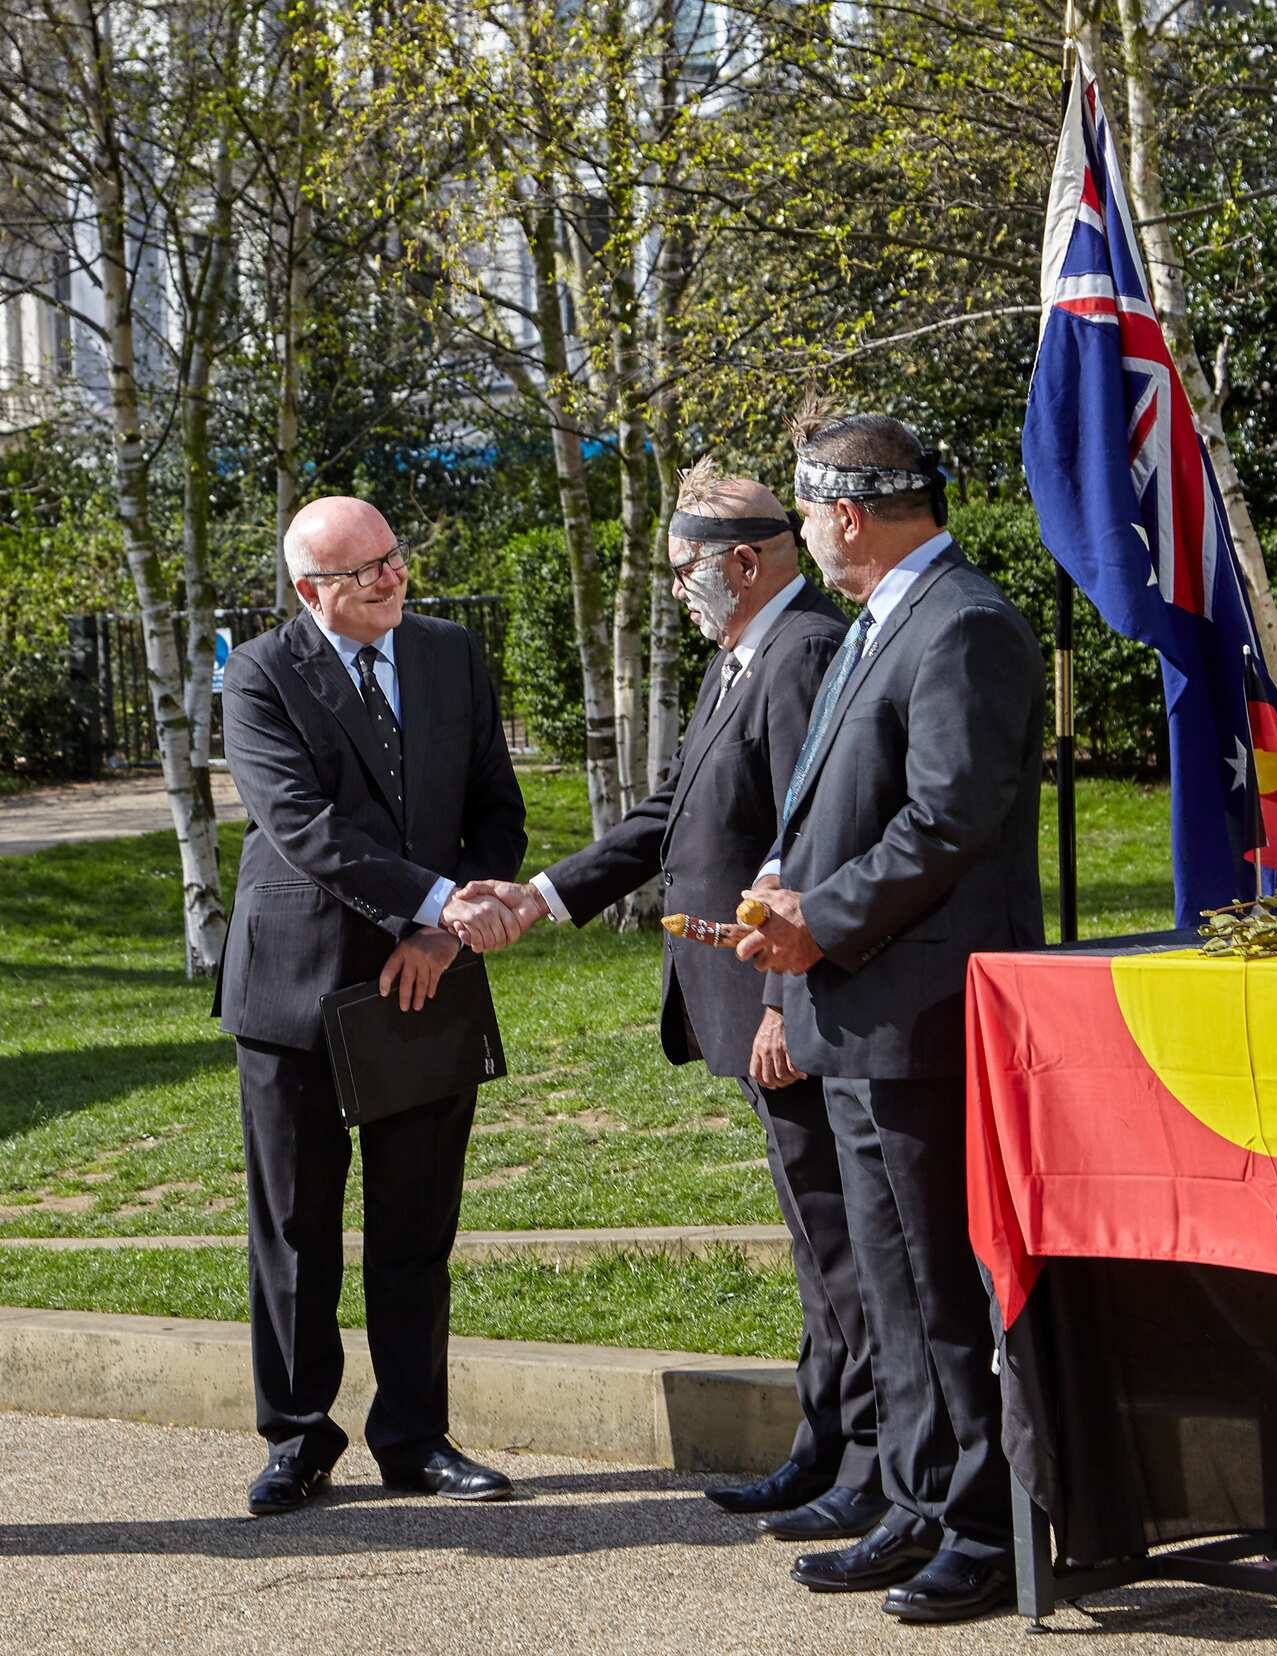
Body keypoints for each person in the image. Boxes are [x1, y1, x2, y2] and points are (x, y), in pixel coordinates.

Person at [456, 461, 886, 1543]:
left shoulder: (799, 658)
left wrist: (785, 1001)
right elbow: (668, 816)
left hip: (781, 1005)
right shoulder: (744, 656)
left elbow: (806, 849)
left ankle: (873, 1466)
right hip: (742, 1002)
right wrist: (541, 896)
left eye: (685, 570)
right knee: (811, 1234)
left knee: (837, 1241)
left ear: (743, 563)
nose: (678, 590)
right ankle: (823, 1445)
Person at [737, 408, 1044, 1624]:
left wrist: (823, 914)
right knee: (891, 1282)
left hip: (921, 1010)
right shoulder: (887, 617)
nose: (807, 535)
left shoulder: (961, 623)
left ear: (846, 515)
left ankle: (984, 1526)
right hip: (861, 1008)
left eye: (808, 514)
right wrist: (782, 886)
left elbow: (947, 819)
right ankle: (919, 1501)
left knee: (937, 1283)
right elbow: (842, 799)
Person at [214, 496, 527, 1516]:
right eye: (362, 574)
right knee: (296, 1230)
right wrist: (435, 904)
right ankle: (298, 1440)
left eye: (393, 558)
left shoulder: (448, 653)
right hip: (294, 987)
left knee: (414, 1224)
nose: (390, 580)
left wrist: (444, 936)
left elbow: (495, 811)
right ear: (311, 592)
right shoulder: (260, 673)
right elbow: (303, 827)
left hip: (424, 982)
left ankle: (415, 1437)